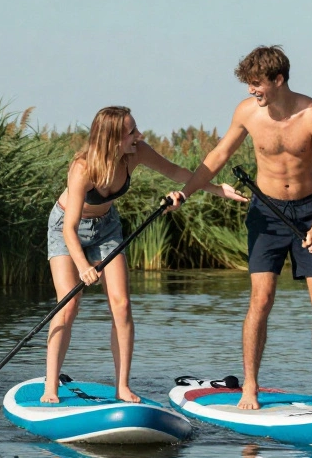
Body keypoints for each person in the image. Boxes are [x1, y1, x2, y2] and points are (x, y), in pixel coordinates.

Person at [167, 46, 312, 410]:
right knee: (261, 299)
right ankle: (250, 386)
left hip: (310, 211)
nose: (252, 91)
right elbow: (217, 157)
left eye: (257, 84)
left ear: (278, 79)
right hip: (266, 213)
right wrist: (185, 194)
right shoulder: (248, 113)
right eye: (249, 85)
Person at [44, 106, 246, 404]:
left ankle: (122, 386)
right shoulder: (83, 168)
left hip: (107, 228)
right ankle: (51, 385)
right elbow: (70, 229)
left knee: (122, 304)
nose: (140, 135)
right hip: (67, 227)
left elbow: (176, 172)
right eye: (131, 132)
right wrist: (83, 265)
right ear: (112, 139)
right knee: (69, 304)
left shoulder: (136, 153)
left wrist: (216, 189)